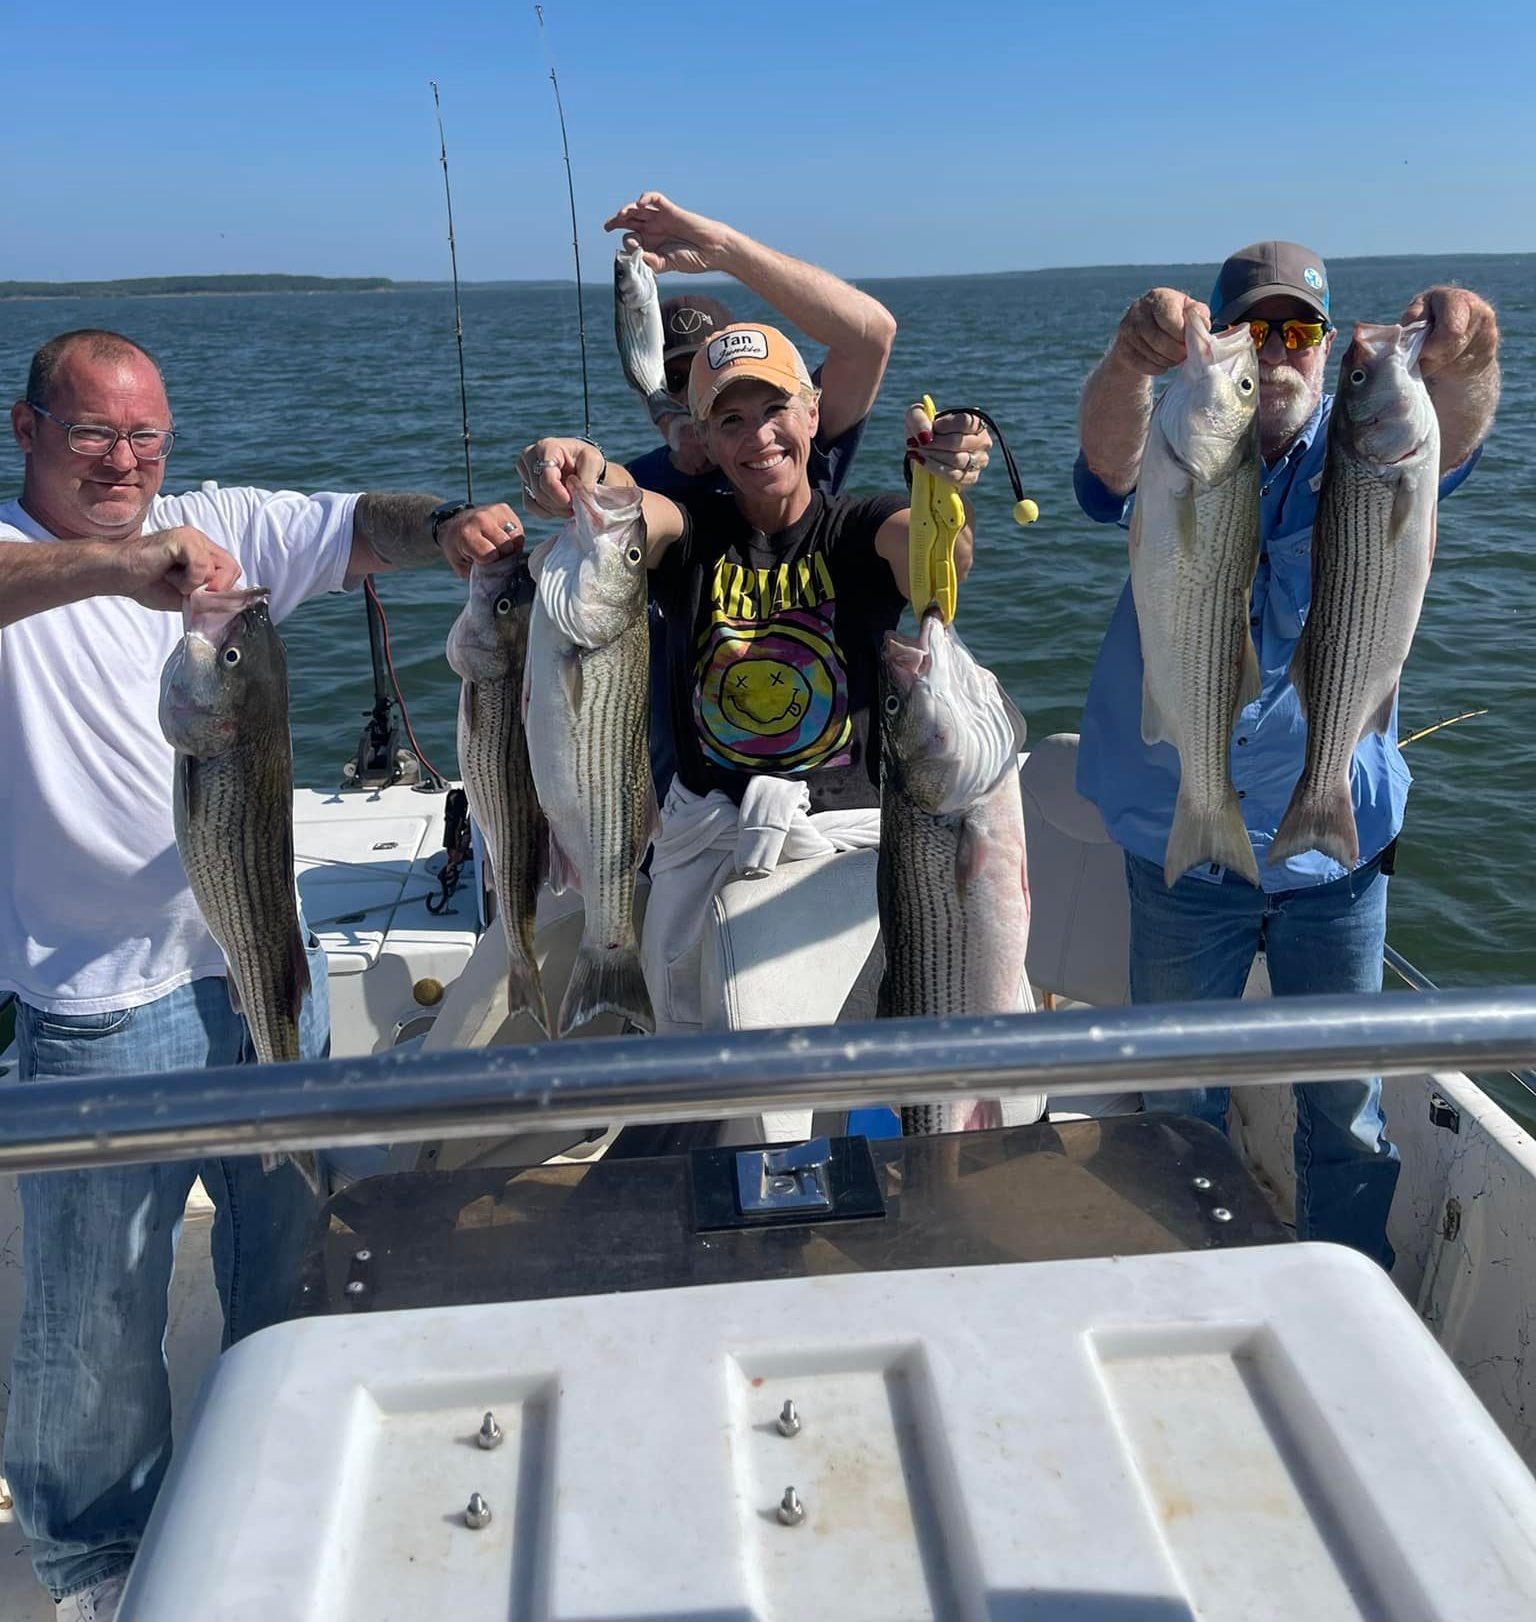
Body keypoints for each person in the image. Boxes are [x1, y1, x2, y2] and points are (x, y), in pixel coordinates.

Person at [0, 328, 526, 1621]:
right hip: (92, 1007)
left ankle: (278, 1465)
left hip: (263, 971)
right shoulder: (30, 560)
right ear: (26, 431)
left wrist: (458, 527)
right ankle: (89, 1564)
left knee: (289, 1236)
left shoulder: (212, 534)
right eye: (93, 436)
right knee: (95, 1324)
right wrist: (118, 568)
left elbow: (363, 526)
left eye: (148, 440)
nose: (126, 463)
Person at [1073, 241, 1501, 1267]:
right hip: (1182, 835)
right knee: (1177, 1094)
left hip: (1337, 849)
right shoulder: (1183, 428)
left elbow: (1463, 418)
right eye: (1253, 328)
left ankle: (1346, 1287)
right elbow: (1106, 468)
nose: (1275, 351)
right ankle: (1187, 1273)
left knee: (1346, 1107)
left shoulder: (1365, 442)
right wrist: (1132, 363)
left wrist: (1474, 346)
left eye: (1298, 330)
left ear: (1322, 345)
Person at [519, 321, 991, 1033]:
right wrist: (591, 470)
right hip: (710, 843)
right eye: (730, 421)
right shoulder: (692, 532)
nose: (758, 435)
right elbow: (633, 513)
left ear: (812, 412)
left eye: (775, 410)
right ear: (705, 443)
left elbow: (941, 562)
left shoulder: (859, 527)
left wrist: (938, 492)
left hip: (843, 841)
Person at [602, 192, 898, 796]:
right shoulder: (642, 484)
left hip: (817, 787)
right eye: (674, 381)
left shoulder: (790, 458)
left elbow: (871, 336)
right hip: (667, 784)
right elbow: (602, 496)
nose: (753, 431)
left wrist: (724, 248)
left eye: (754, 401)